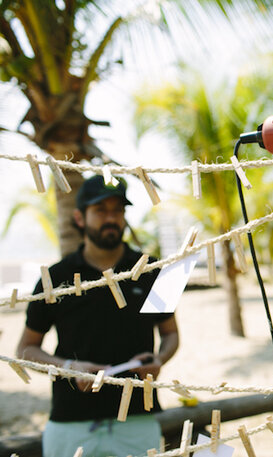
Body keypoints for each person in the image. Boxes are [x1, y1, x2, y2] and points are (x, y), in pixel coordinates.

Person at [16, 175, 179, 457]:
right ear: (79, 217)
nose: (111, 218)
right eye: (100, 210)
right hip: (70, 420)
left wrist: (160, 360)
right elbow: (25, 349)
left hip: (137, 419)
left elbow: (171, 334)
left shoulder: (153, 269)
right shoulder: (55, 277)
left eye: (118, 210)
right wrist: (67, 366)